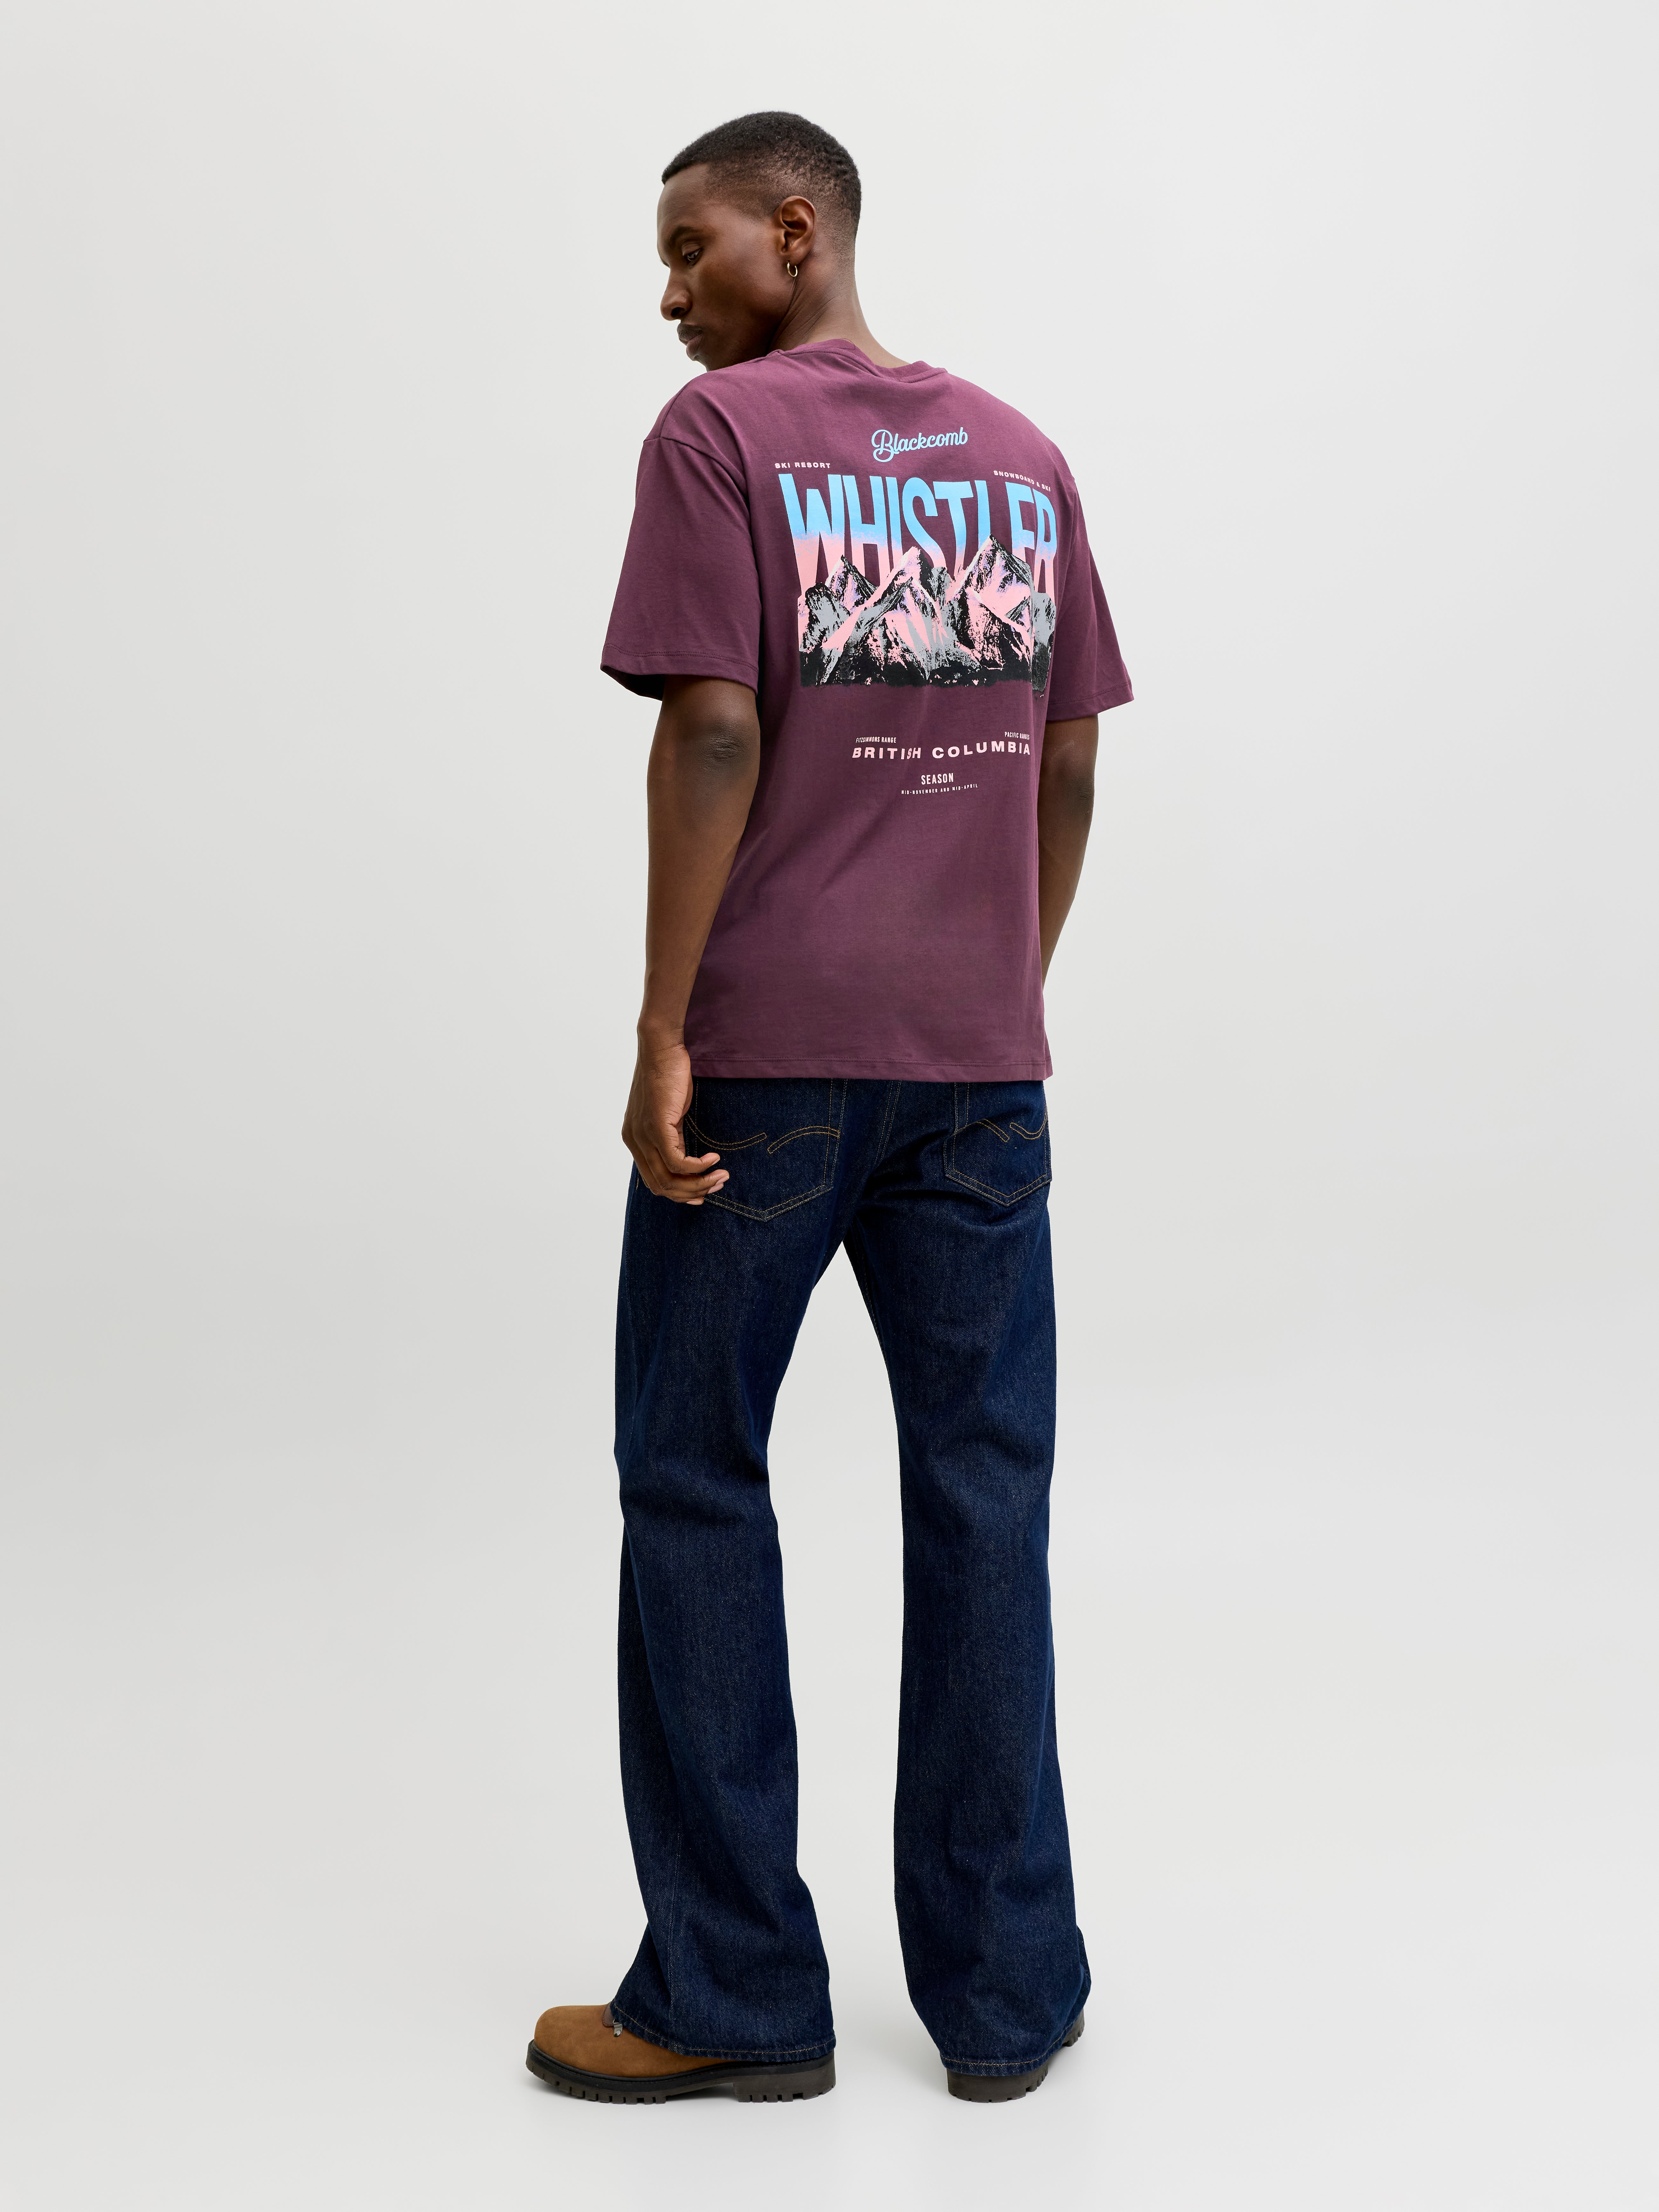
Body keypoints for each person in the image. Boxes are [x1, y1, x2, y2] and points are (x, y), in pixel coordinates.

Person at [526, 111, 1132, 2107]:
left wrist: (659, 1027)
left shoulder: (718, 440)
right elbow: (1066, 766)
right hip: (979, 1075)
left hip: (766, 1064)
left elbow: (712, 732)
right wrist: (996, 983)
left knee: (694, 1476)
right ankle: (1005, 1996)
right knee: (984, 1498)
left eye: (690, 246)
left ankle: (732, 1993)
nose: (667, 291)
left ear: (798, 231)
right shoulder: (1021, 459)